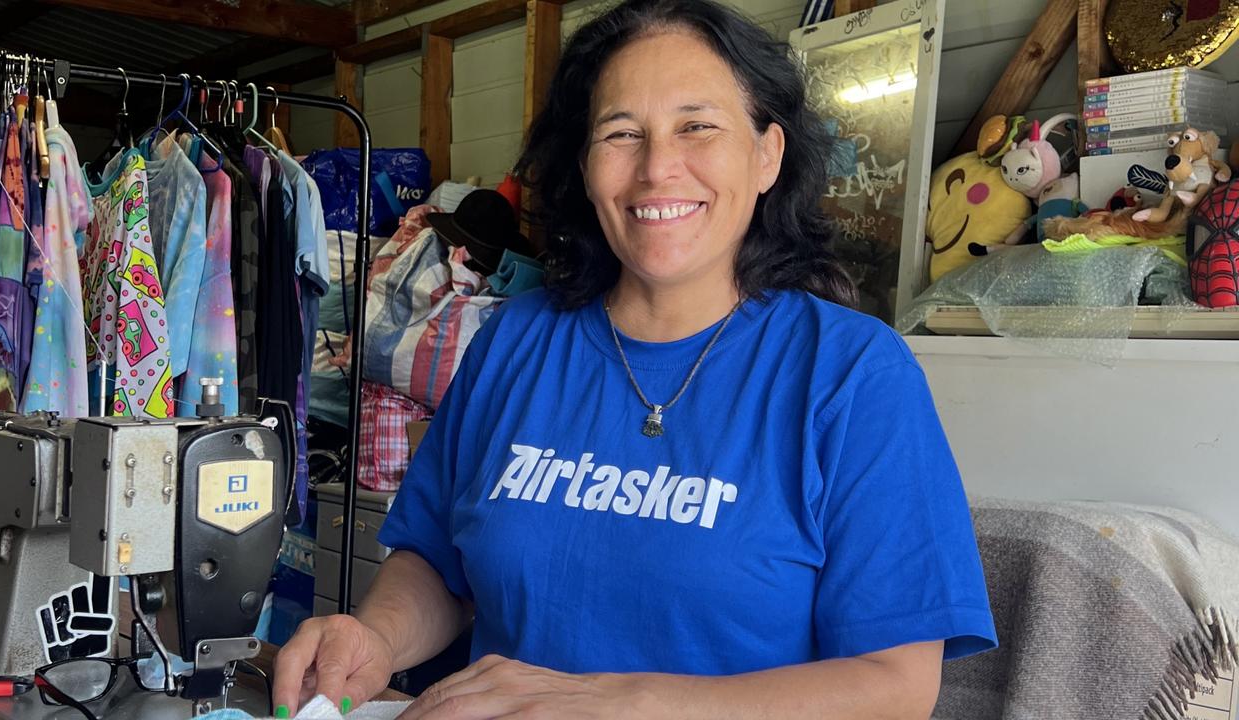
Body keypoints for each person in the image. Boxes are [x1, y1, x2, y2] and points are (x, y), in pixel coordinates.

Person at [274, 0, 998, 717]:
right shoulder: (513, 341)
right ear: (586, 167)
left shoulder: (851, 374)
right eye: (622, 133)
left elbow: (897, 685)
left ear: (768, 154)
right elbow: (437, 562)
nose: (657, 168)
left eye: (697, 127)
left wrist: (626, 703)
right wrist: (374, 635)